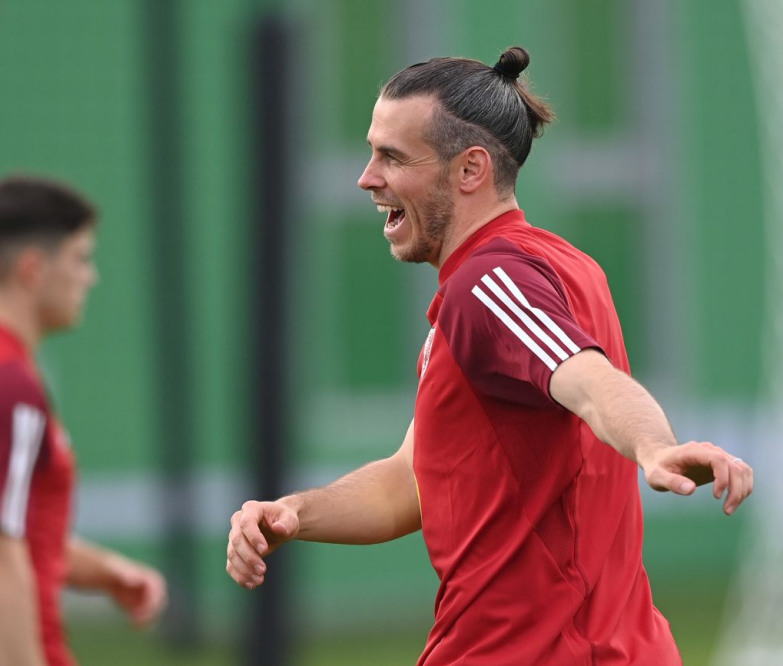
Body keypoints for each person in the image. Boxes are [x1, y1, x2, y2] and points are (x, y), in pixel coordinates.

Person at [226, 47, 753, 665]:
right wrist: (292, 513)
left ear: (470, 169)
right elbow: (410, 482)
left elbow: (588, 381)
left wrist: (655, 447)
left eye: (392, 157)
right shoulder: (549, 267)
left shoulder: (487, 284)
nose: (367, 177)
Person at [0, 176, 167, 666]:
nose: (90, 277)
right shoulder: (7, 386)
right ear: (34, 269)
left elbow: (3, 519)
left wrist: (103, 571)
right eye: (80, 259)